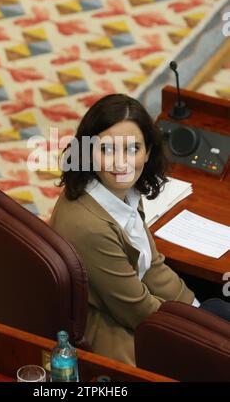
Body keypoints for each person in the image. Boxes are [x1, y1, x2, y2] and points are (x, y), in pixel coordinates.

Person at [49, 94, 229, 366]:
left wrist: (197, 310)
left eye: (133, 148)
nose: (121, 163)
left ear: (148, 151)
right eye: (107, 149)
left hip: (142, 311)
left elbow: (152, 266)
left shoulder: (122, 190)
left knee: (216, 309)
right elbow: (136, 309)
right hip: (120, 337)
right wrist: (202, 332)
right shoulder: (89, 225)